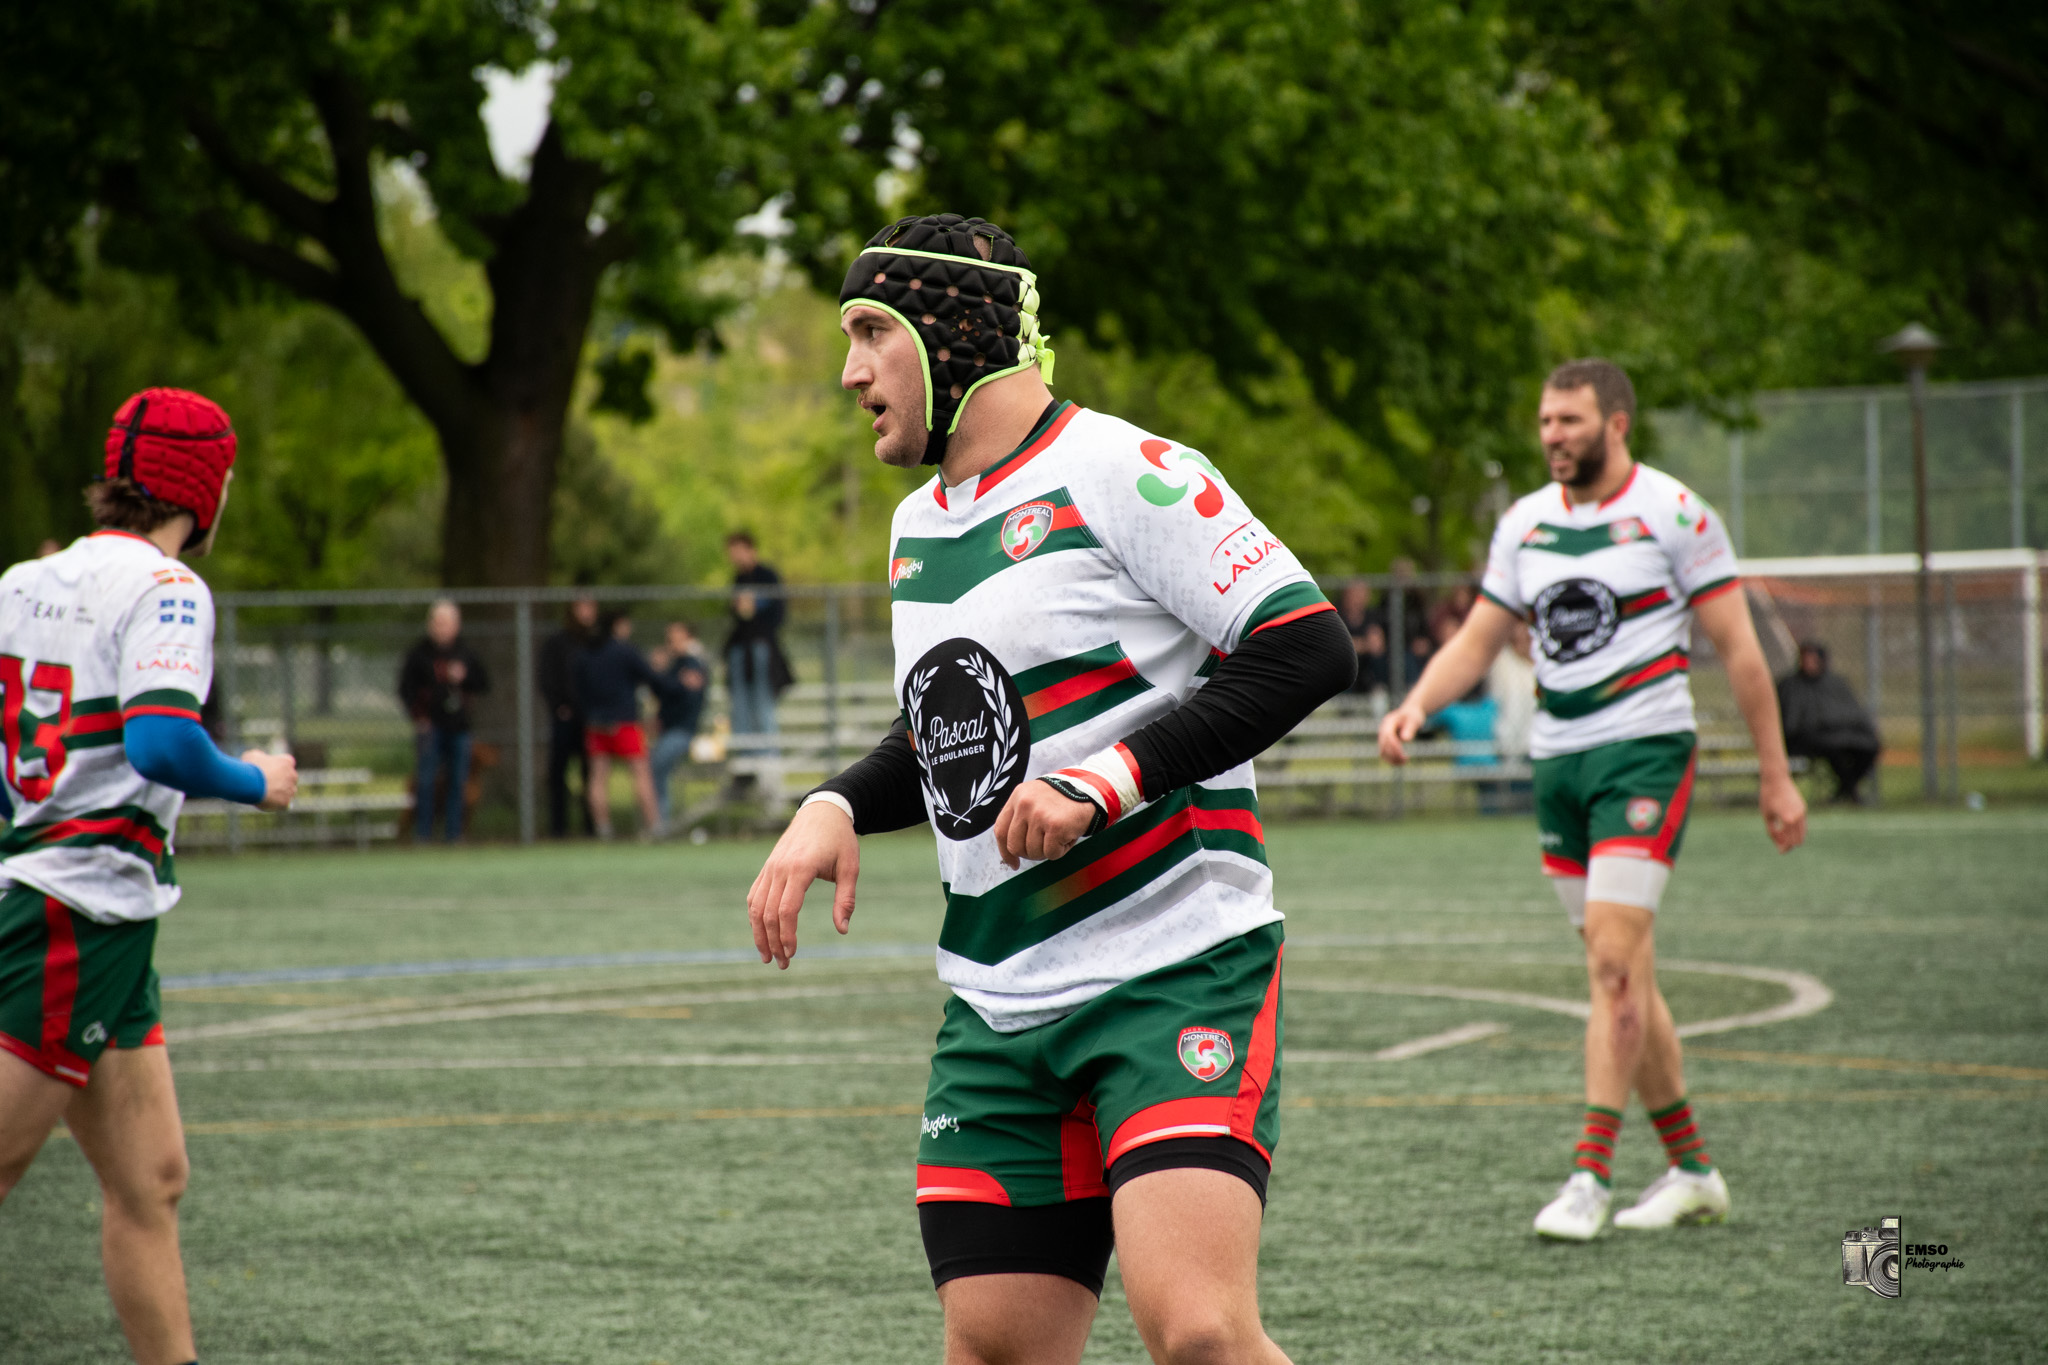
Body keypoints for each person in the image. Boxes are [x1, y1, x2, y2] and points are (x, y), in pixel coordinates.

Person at [747, 214, 1356, 1365]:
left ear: (949, 330)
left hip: (1172, 972)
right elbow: (951, 730)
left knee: (1200, 1337)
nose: (849, 372)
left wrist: (1107, 780)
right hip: (996, 1001)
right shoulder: (917, 527)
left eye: (871, 331)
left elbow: (1305, 647)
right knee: (994, 1348)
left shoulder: (1122, 469)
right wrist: (833, 801)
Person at [1379, 358, 1807, 1242]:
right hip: (1557, 763)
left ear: (1617, 424)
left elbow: (1741, 651)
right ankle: (1694, 1168)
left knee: (1612, 962)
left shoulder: (1675, 513)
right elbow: (1479, 637)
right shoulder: (1525, 525)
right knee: (1627, 973)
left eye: (1570, 421)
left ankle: (1590, 1175)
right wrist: (1419, 703)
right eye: (1544, 421)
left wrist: (1776, 773)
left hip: (1643, 757)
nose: (1553, 436)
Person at [0, 387, 298, 1365]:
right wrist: (260, 781)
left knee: (150, 1179)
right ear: (201, 489)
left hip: (63, 899)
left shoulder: (21, 580)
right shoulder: (167, 588)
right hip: (80, 909)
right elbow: (165, 743)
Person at [397, 601, 489, 843]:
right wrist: (419, 718)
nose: (442, 628)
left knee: (458, 781)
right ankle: (423, 834)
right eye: (438, 622)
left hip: (459, 727)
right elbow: (406, 690)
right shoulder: (419, 654)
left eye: (447, 622)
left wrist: (465, 676)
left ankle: (454, 834)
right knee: (426, 781)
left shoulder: (466, 653)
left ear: (456, 625)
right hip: (430, 728)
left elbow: (483, 684)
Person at [575, 608, 663, 840]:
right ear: (617, 625)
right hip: (625, 722)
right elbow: (651, 678)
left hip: (595, 723)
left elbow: (578, 690)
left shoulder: (586, 653)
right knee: (641, 773)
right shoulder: (625, 651)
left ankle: (603, 828)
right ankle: (654, 825)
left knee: (597, 776)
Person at [1777, 642, 1881, 803]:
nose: (1808, 663)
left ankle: (1845, 790)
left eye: (1812, 659)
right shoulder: (1791, 685)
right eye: (1805, 658)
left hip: (1841, 734)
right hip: (1807, 740)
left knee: (1869, 746)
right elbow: (1793, 721)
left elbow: (1852, 712)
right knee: (1833, 749)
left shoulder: (1835, 683)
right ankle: (1849, 791)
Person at [539, 595, 599, 838]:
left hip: (591, 719)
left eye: (590, 607)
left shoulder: (597, 643)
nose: (586, 612)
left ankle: (591, 826)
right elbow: (546, 677)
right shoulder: (557, 643)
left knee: (591, 773)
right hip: (564, 717)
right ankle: (559, 828)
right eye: (581, 607)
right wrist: (559, 706)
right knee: (558, 773)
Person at [723, 532, 789, 749]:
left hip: (762, 648)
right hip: (742, 648)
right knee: (740, 710)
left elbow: (778, 614)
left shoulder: (767, 576)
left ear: (751, 550)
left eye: (739, 551)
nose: (736, 557)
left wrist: (754, 606)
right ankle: (745, 768)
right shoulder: (738, 579)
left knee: (763, 708)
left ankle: (768, 766)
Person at [649, 620, 710, 826]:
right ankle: (659, 821)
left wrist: (665, 678)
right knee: (653, 767)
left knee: (656, 765)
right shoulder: (676, 665)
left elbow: (686, 696)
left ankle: (661, 823)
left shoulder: (692, 663)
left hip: (683, 731)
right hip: (669, 729)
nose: (672, 643)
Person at [1335, 581, 1389, 699]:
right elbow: (1338, 646)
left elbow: (1377, 647)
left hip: (1366, 665)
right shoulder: (1336, 615)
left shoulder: (1372, 615)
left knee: (1379, 660)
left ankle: (1379, 691)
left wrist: (1355, 644)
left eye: (1362, 595)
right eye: (1355, 594)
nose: (1359, 599)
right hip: (1345, 664)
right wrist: (1365, 644)